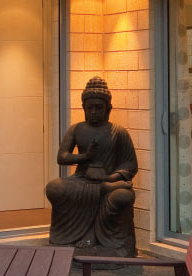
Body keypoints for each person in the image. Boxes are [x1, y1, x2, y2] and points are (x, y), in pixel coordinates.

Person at [44, 77, 138, 257]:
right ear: (84, 108)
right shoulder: (76, 129)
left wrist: (112, 177)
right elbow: (61, 157)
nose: (94, 112)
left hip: (109, 179)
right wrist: (85, 157)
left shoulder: (118, 132)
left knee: (123, 196)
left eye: (99, 107)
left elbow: (130, 165)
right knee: (53, 187)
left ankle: (99, 230)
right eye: (90, 108)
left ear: (108, 109)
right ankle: (103, 192)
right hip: (82, 180)